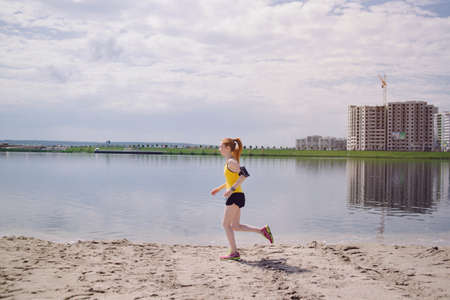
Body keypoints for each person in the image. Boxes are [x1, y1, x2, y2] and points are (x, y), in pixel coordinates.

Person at [210, 137, 273, 260]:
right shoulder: (230, 162)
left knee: (226, 224)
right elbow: (232, 179)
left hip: (235, 195)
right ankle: (262, 231)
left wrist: (231, 189)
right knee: (235, 226)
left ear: (228, 148)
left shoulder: (231, 162)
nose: (219, 149)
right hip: (237, 195)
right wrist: (219, 188)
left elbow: (245, 174)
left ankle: (234, 252)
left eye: (221, 147)